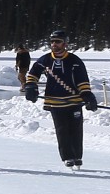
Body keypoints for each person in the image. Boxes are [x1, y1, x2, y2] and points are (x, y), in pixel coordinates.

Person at [23, 29, 96, 170]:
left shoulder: (75, 61)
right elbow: (33, 74)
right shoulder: (45, 60)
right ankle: (67, 157)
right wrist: (31, 87)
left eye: (58, 42)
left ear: (65, 44)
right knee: (62, 130)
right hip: (55, 102)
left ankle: (77, 156)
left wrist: (87, 96)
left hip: (74, 102)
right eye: (52, 42)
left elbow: (82, 81)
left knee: (76, 130)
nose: (54, 44)